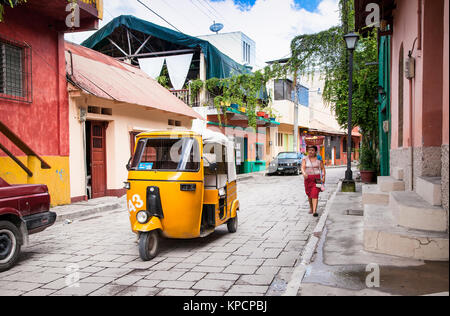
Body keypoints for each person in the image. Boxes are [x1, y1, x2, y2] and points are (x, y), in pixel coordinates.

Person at [301, 145, 326, 217]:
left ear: (315, 151)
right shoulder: (305, 159)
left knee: (315, 193)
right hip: (308, 179)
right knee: (309, 193)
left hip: (317, 179)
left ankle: (314, 211)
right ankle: (311, 208)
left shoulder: (319, 159)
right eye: (309, 150)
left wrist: (323, 177)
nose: (310, 151)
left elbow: (322, 169)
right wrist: (304, 173)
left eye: (312, 150)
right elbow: (302, 167)